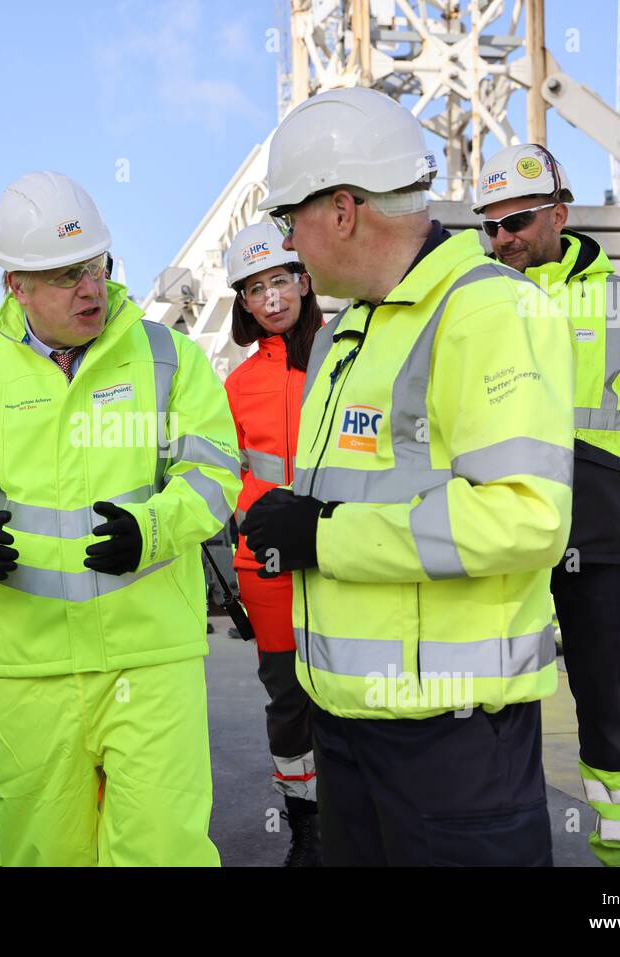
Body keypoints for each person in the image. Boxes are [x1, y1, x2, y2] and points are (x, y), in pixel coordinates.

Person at [245, 89, 575, 866]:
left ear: (344, 209)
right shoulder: (348, 332)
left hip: (451, 740)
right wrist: (298, 524)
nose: (287, 245)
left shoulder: (488, 312)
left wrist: (325, 536)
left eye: (289, 220)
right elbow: (369, 491)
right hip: (347, 721)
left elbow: (524, 516)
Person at [0, 170, 239, 866]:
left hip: (150, 660)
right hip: (28, 670)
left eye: (96, 266)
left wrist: (152, 530)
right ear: (15, 285)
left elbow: (212, 477)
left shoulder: (170, 358)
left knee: (163, 852)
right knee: (41, 853)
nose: (89, 287)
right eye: (62, 276)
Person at [477, 144, 620, 867]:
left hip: (598, 537)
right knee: (493, 697)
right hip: (499, 530)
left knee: (608, 699)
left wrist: (608, 476)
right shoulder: (477, 300)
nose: (505, 238)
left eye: (519, 220)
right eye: (492, 227)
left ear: (560, 214)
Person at [221, 221, 324, 866]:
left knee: (356, 687)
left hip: (347, 550)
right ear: (245, 303)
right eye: (256, 289)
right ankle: (306, 827)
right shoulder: (234, 386)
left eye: (280, 281)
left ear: (304, 282)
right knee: (288, 698)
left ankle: (363, 819)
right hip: (269, 566)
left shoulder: (348, 353)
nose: (272, 299)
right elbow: (222, 473)